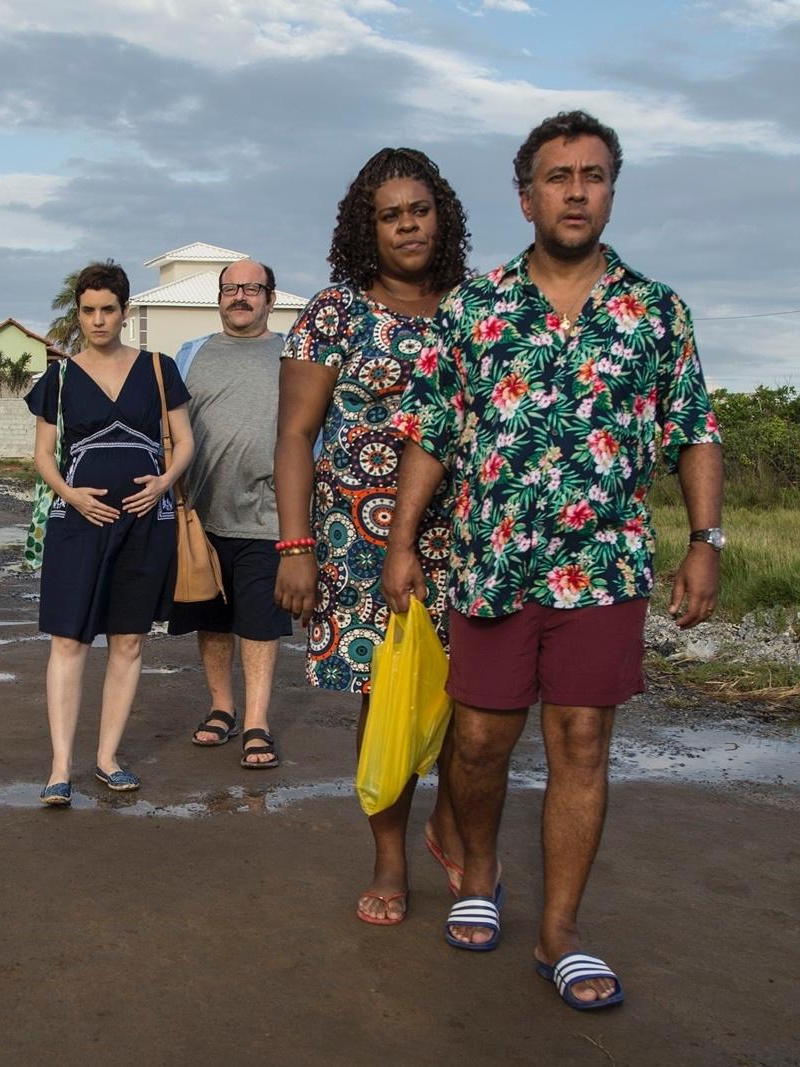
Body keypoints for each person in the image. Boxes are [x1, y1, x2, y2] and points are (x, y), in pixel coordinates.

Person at [383, 111, 723, 1011]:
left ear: (613, 188)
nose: (577, 191)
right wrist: (402, 542)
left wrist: (704, 543)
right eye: (560, 176)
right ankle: (479, 867)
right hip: (491, 565)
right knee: (482, 740)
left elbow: (694, 432)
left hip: (603, 568)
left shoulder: (656, 311)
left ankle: (561, 931)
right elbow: (433, 433)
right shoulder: (477, 308)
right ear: (526, 193)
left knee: (581, 741)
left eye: (595, 175)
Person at [274, 147, 472, 925]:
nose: (407, 226)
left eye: (418, 210)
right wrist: (295, 547)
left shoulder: (474, 308)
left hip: (465, 534)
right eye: (389, 215)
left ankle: (452, 822)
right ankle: (390, 857)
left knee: (471, 699)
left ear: (441, 214)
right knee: (387, 696)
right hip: (359, 536)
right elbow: (295, 434)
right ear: (368, 228)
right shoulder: (334, 312)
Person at [26, 261, 194, 805]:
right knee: (69, 640)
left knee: (128, 640)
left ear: (124, 312)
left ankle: (107, 758)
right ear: (79, 315)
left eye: (108, 310)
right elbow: (42, 456)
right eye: (88, 311)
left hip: (147, 524)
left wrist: (164, 482)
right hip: (77, 526)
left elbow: (186, 442)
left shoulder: (160, 369)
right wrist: (70, 495)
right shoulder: (58, 377)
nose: (98, 320)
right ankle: (59, 769)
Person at [167, 259, 293, 768]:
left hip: (270, 512)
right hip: (202, 513)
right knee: (212, 617)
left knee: (260, 621)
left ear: (270, 295)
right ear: (219, 296)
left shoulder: (294, 352)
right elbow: (167, 427)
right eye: (230, 288)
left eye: (251, 288)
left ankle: (257, 721)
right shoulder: (190, 355)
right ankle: (222, 707)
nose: (240, 296)